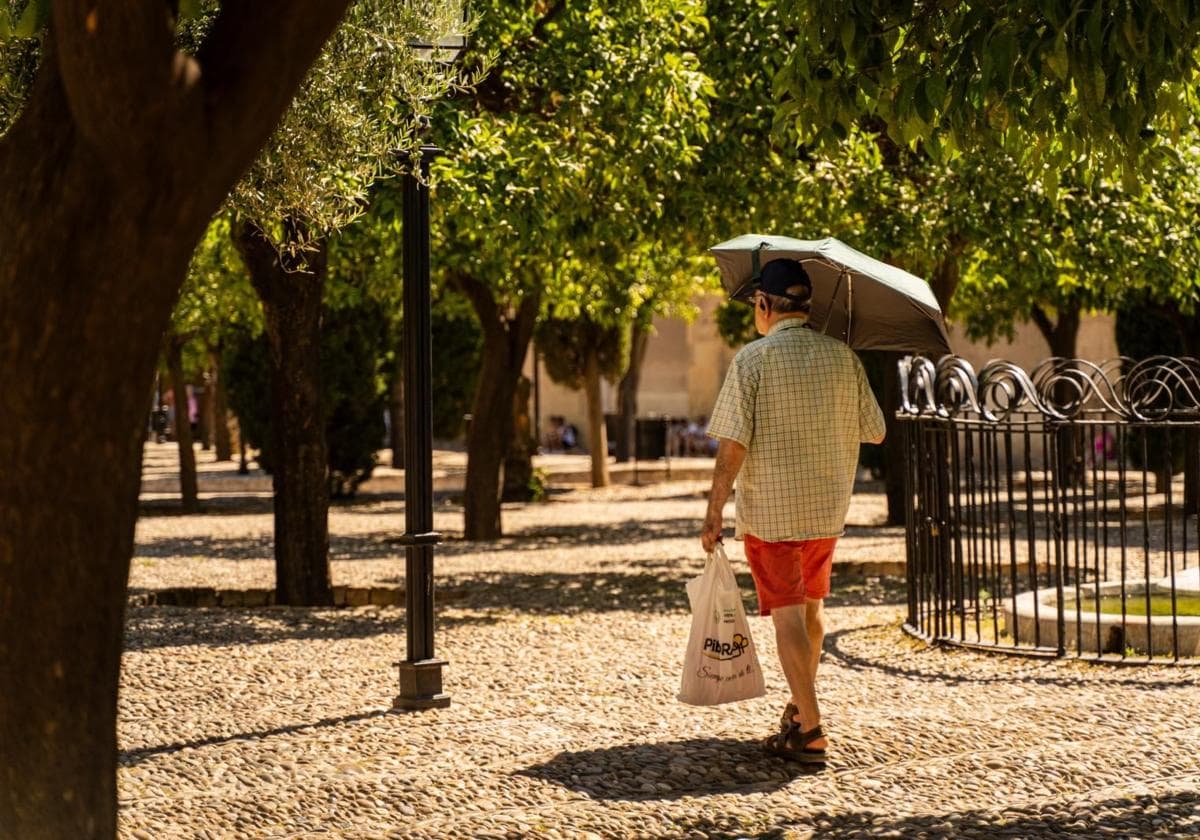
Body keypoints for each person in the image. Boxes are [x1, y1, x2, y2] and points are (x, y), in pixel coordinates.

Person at [700, 258, 886, 765]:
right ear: (806, 306)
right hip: (826, 509)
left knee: (786, 615)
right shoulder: (843, 357)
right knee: (811, 612)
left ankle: (811, 729)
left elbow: (733, 443)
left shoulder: (753, 361)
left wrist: (715, 509)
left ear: (763, 305)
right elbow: (876, 430)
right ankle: (800, 711)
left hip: (772, 513)